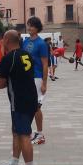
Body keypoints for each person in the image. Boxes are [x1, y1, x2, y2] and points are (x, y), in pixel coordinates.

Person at [0, 30, 40, 165]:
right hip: (32, 98)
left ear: (6, 40)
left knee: (24, 135)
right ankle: (14, 164)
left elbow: (1, 83)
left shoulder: (8, 58)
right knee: (17, 132)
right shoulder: (26, 54)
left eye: (2, 40)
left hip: (19, 101)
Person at [22, 17, 49, 145]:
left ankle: (40, 134)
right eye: (28, 25)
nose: (29, 28)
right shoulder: (25, 42)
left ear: (37, 28)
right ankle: (32, 133)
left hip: (37, 77)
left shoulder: (41, 43)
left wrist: (44, 83)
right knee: (28, 106)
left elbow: (45, 64)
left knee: (36, 107)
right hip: (26, 78)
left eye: (32, 26)